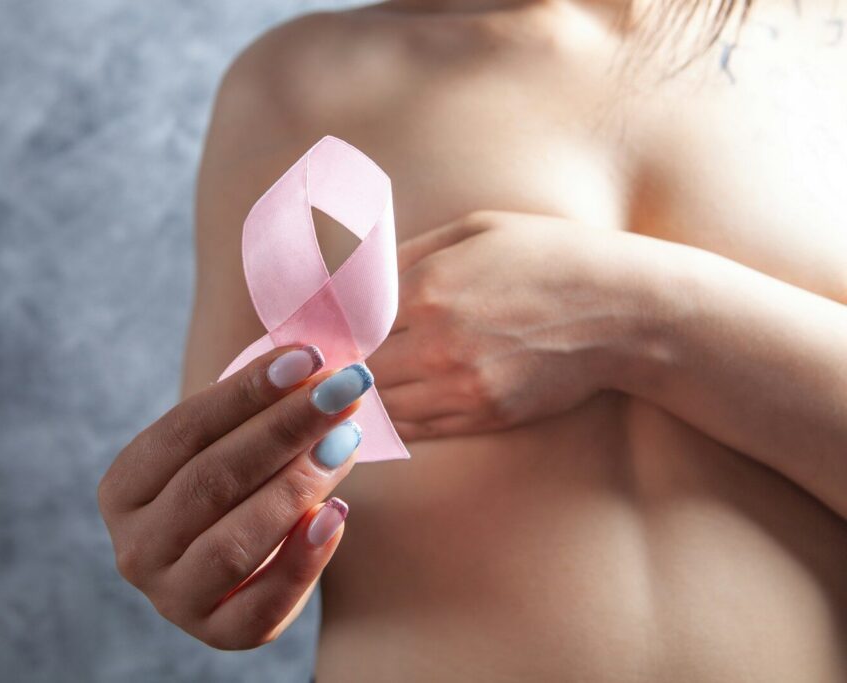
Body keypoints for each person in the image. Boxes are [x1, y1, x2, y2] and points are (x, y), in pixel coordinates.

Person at [97, 0, 847, 679]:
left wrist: (630, 313)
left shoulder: (829, 48)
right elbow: (232, 538)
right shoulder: (293, 80)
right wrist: (205, 559)